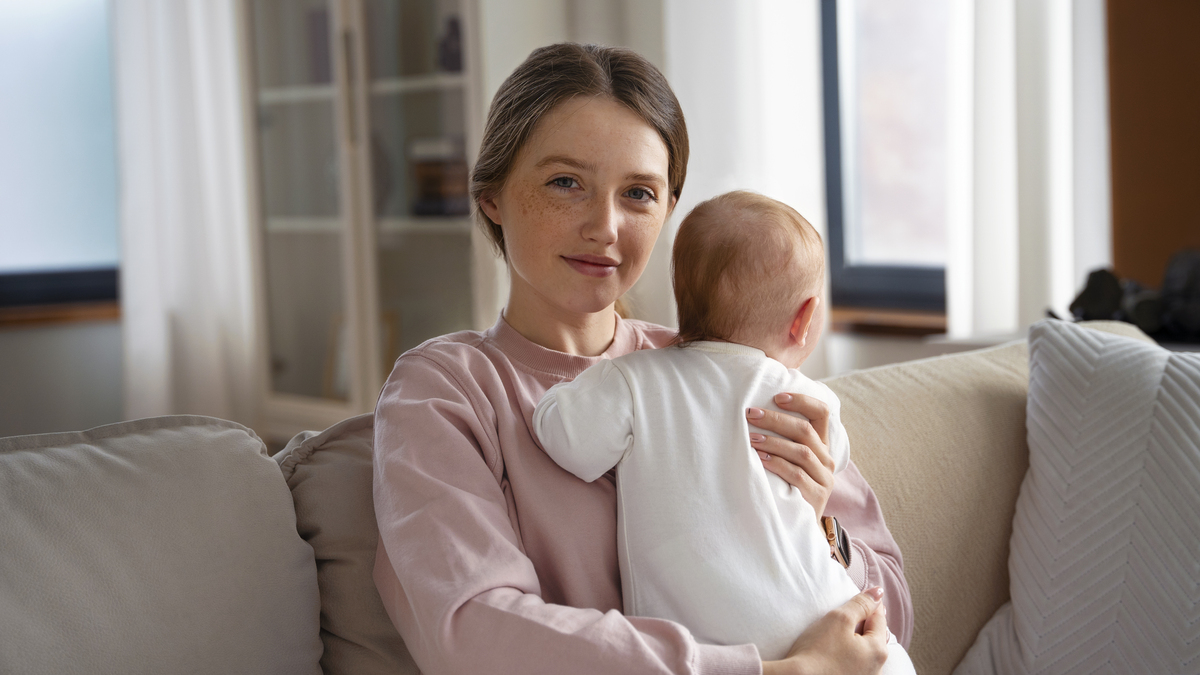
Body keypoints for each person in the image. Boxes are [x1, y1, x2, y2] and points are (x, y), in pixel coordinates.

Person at [372, 43, 912, 675]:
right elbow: (474, 630)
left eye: (638, 193)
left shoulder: (726, 361)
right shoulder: (444, 390)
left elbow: (893, 613)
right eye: (565, 183)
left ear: (669, 214)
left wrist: (820, 529)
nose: (605, 226)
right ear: (492, 194)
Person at [531, 191, 915, 673]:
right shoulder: (806, 401)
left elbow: (567, 443)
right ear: (804, 319)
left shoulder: (632, 379)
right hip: (835, 629)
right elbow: (834, 455)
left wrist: (557, 395)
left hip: (712, 647)